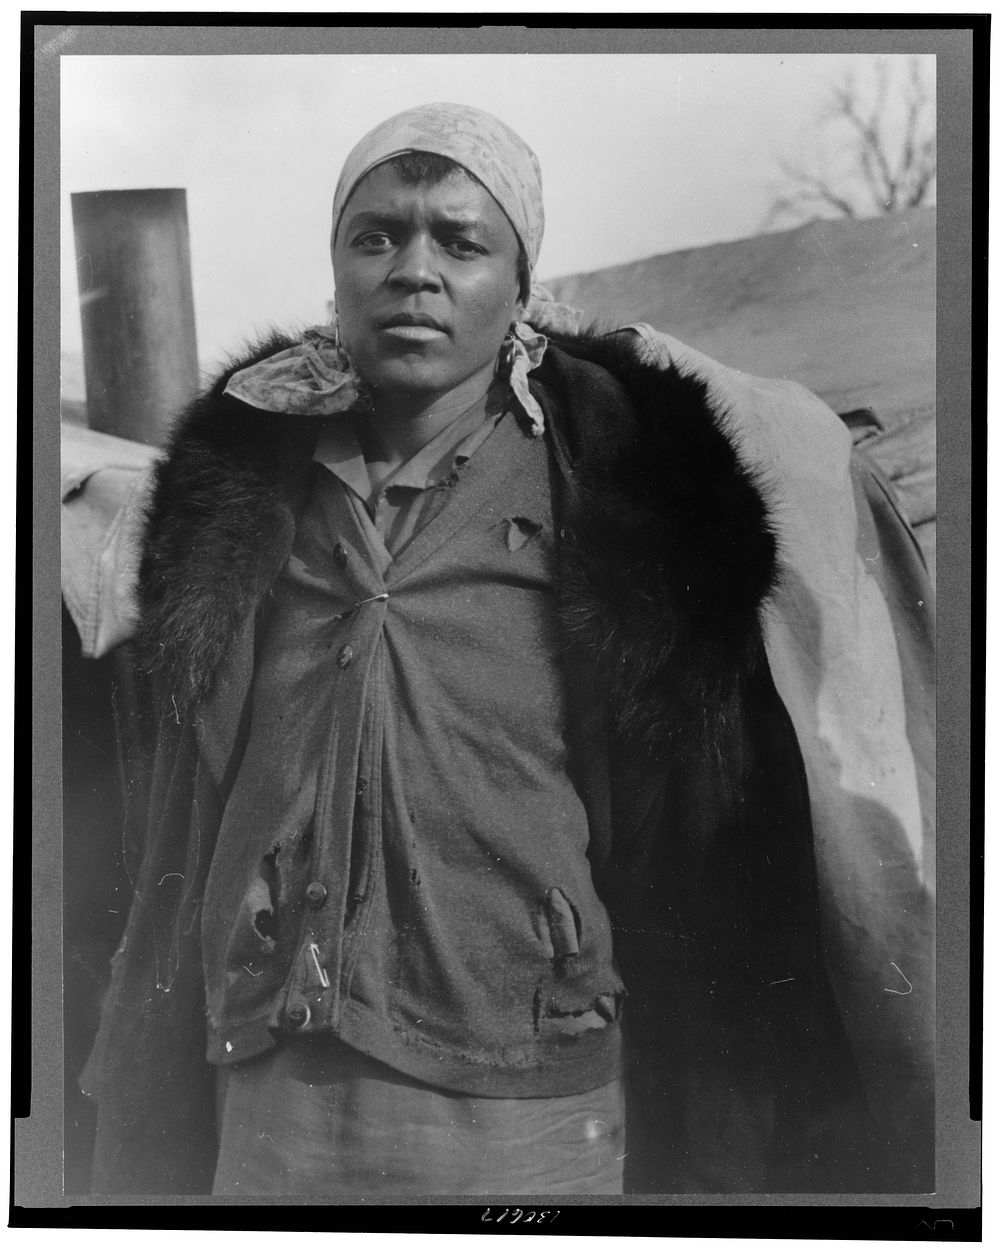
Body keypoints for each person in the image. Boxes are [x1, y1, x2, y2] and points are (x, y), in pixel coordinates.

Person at [84, 102, 934, 1196]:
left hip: (523, 1057)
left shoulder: (602, 487)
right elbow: (190, 787)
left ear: (520, 285)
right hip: (275, 1050)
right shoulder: (247, 487)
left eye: (460, 241)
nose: (414, 272)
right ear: (335, 271)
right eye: (377, 236)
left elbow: (683, 816)